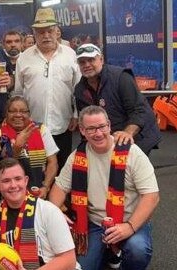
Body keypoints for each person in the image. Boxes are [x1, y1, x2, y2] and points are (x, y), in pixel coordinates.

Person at [49, 105, 160, 270]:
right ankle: (109, 253)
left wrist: (129, 227)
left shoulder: (132, 152)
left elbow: (152, 196)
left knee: (138, 250)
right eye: (91, 129)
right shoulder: (77, 156)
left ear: (108, 125)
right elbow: (59, 189)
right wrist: (55, 211)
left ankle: (121, 258)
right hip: (95, 223)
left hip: (129, 219)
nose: (98, 133)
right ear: (82, 130)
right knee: (83, 267)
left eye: (101, 126)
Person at [13, 8, 81, 173]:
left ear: (57, 31)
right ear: (34, 33)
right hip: (32, 129)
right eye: (41, 32)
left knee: (62, 172)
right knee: (35, 172)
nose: (46, 35)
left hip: (63, 126)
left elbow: (78, 89)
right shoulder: (24, 58)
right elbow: (18, 94)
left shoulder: (70, 55)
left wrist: (76, 115)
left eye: (50, 31)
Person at [74, 43, 162, 155]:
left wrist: (127, 133)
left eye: (91, 60)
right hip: (109, 138)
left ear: (101, 59)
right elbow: (85, 121)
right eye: (82, 62)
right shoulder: (79, 90)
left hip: (140, 136)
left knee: (130, 169)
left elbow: (139, 110)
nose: (87, 65)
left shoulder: (121, 77)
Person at [0, 158, 76, 270]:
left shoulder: (48, 211)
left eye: (18, 179)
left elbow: (69, 260)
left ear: (26, 181)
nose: (13, 185)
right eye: (6, 181)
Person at [0, 96, 58, 199]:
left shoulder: (41, 130)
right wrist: (17, 148)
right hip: (10, 194)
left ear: (29, 113)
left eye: (23, 111)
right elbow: (0, 169)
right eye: (13, 111)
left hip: (39, 191)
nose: (18, 115)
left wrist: (45, 187)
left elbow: (53, 162)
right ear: (6, 114)